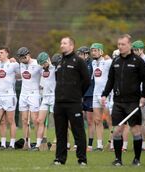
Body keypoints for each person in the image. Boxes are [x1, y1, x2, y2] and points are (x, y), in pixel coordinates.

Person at [101, 34, 145, 166]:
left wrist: (144, 96)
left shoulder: (138, 61)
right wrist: (104, 94)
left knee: (135, 131)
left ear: (129, 45)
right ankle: (118, 160)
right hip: (118, 102)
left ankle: (137, 159)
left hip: (133, 102)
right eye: (119, 45)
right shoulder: (115, 61)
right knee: (117, 131)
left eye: (123, 44)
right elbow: (110, 80)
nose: (120, 47)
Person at [53, 37, 90, 166]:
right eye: (61, 43)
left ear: (72, 46)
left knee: (78, 132)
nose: (62, 45)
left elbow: (87, 80)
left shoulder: (79, 61)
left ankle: (82, 159)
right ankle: (59, 159)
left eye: (65, 43)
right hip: (59, 103)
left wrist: (78, 94)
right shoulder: (59, 61)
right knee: (60, 132)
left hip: (73, 103)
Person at [16, 47, 42, 150]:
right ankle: (26, 142)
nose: (22, 59)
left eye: (24, 57)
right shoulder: (21, 64)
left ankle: (38, 143)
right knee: (24, 120)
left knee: (35, 120)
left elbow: (46, 71)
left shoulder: (37, 64)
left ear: (28, 54)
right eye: (20, 57)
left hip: (34, 94)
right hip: (23, 94)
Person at [0, 46, 19, 149]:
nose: (0, 54)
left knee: (10, 120)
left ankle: (12, 144)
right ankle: (3, 143)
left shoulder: (13, 64)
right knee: (1, 121)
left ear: (7, 54)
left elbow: (23, 72)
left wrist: (16, 61)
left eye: (2, 53)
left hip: (9, 95)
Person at [90, 43, 112, 151]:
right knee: (97, 120)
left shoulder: (108, 62)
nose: (93, 52)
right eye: (92, 50)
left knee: (109, 120)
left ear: (101, 51)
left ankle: (113, 143)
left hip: (105, 95)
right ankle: (99, 145)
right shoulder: (93, 63)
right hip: (95, 94)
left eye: (95, 50)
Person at [132, 40, 145, 151]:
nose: (134, 52)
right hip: (136, 93)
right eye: (133, 49)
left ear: (141, 49)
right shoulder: (133, 59)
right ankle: (143, 143)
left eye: (136, 49)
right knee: (140, 120)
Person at [35, 52, 56, 150]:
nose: (43, 66)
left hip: (54, 97)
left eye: (44, 63)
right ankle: (38, 144)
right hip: (45, 97)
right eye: (41, 64)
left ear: (48, 60)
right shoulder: (41, 69)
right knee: (40, 120)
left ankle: (58, 142)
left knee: (57, 121)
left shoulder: (54, 68)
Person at [76, 46, 94, 152]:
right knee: (78, 120)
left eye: (81, 54)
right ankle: (79, 143)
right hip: (80, 95)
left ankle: (90, 145)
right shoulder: (78, 64)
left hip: (90, 95)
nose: (79, 56)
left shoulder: (92, 64)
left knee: (90, 121)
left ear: (86, 54)